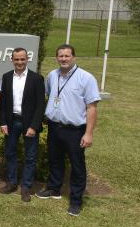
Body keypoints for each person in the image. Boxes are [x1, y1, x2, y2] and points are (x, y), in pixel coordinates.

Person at [36, 44, 101, 217]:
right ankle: (54, 189)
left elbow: (92, 107)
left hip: (75, 130)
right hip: (55, 127)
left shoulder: (86, 78)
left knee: (77, 165)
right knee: (55, 160)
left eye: (67, 56)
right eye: (60, 56)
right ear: (56, 58)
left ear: (74, 57)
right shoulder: (52, 75)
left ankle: (76, 200)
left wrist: (89, 133)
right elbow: (50, 95)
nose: (64, 59)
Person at [0, 48, 46, 202]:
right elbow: (3, 102)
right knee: (10, 153)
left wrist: (34, 126)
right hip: (11, 122)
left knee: (30, 156)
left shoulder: (37, 78)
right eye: (16, 59)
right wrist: (3, 122)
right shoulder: (6, 77)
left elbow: (40, 105)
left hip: (29, 123)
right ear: (12, 60)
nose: (19, 62)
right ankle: (11, 183)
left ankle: (26, 187)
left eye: (22, 59)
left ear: (27, 59)